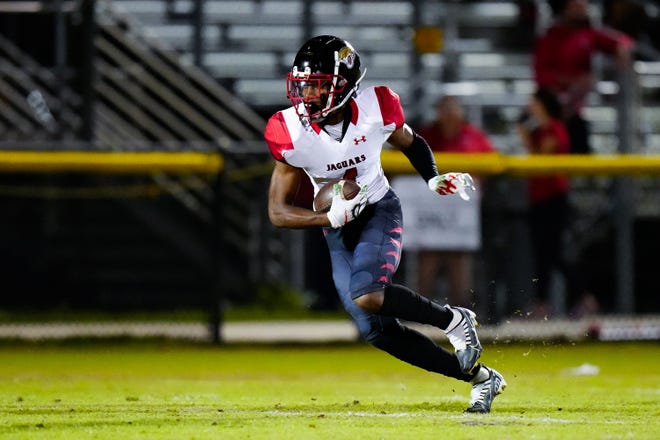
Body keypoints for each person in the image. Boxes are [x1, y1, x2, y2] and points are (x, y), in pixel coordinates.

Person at [265, 35, 506, 413]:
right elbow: (277, 212)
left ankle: (454, 319)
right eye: (304, 86)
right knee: (377, 331)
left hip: (379, 209)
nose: (307, 96)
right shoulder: (291, 131)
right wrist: (326, 217)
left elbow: (411, 142)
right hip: (338, 229)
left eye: (318, 86)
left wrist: (431, 177)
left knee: (368, 294)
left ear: (344, 86)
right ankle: (480, 378)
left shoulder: (376, 106)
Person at [415, 96, 496, 307]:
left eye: (453, 111)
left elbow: (492, 162)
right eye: (445, 111)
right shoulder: (428, 134)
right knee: (428, 259)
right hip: (431, 212)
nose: (449, 116)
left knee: (458, 262)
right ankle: (420, 312)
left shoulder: (473, 136)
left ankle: (461, 313)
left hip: (461, 215)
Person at [533, 0, 634, 154]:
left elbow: (621, 41)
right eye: (576, 5)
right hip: (553, 108)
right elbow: (542, 75)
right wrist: (570, 82)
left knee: (579, 142)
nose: (582, 9)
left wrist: (620, 50)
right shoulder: (550, 37)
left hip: (577, 107)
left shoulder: (588, 34)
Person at [517, 88, 571, 318]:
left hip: (553, 198)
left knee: (554, 253)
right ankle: (542, 303)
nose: (531, 107)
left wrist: (524, 136)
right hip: (538, 198)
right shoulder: (539, 131)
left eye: (534, 103)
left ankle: (583, 298)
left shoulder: (554, 128)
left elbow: (541, 156)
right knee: (542, 253)